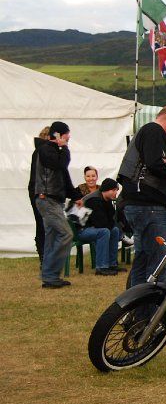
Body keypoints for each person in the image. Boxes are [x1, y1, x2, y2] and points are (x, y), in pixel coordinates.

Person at [118, 105, 166, 291]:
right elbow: (156, 164)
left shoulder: (149, 134)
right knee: (160, 261)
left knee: (143, 259)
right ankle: (156, 306)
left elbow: (158, 182)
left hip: (140, 204)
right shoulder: (153, 130)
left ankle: (136, 304)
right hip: (149, 207)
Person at [33, 121, 83, 288]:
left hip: (53, 200)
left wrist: (76, 196)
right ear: (57, 135)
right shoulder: (45, 149)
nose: (68, 141)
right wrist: (65, 148)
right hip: (47, 199)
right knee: (66, 234)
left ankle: (50, 277)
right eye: (66, 138)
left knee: (53, 237)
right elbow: (61, 165)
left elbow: (63, 176)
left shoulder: (56, 152)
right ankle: (50, 274)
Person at [79, 178, 124, 275]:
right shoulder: (94, 200)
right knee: (104, 232)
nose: (116, 192)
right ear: (106, 190)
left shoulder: (106, 199)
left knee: (115, 230)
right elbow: (100, 223)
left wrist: (110, 224)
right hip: (81, 230)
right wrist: (109, 223)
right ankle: (101, 267)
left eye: (116, 190)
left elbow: (110, 219)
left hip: (93, 227)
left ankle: (112, 264)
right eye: (113, 190)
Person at [28, 125, 50, 265]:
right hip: (39, 193)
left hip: (38, 192)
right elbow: (39, 175)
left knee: (42, 224)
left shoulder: (40, 151)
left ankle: (44, 255)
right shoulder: (41, 152)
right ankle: (43, 255)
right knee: (42, 224)